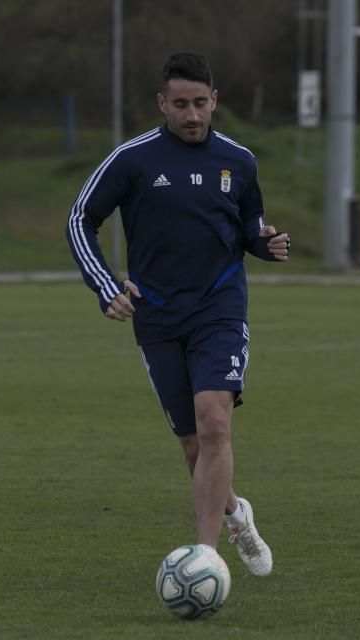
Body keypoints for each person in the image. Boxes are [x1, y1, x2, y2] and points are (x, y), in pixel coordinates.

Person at [66, 52, 290, 576]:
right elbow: (81, 218)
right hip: (159, 315)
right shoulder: (132, 159)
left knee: (215, 423)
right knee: (194, 447)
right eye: (181, 105)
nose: (192, 115)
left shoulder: (240, 161)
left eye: (200, 104)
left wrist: (265, 242)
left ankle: (206, 557)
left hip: (219, 306)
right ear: (162, 104)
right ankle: (236, 513)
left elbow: (246, 225)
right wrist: (105, 286)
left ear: (215, 101)